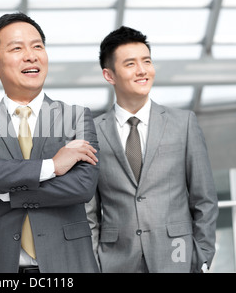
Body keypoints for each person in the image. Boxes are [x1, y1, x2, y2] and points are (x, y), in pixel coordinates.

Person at [0, 12, 100, 273]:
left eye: (37, 46)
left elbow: (81, 186)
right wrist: (52, 166)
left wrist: (2, 184)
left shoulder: (77, 117)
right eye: (17, 48)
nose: (31, 55)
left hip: (67, 264)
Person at [87, 26, 219, 273]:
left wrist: (201, 257)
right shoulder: (91, 133)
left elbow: (204, 199)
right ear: (109, 75)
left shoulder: (184, 124)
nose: (142, 70)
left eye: (146, 61)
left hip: (178, 261)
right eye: (130, 64)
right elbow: (89, 211)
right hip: (115, 263)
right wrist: (94, 264)